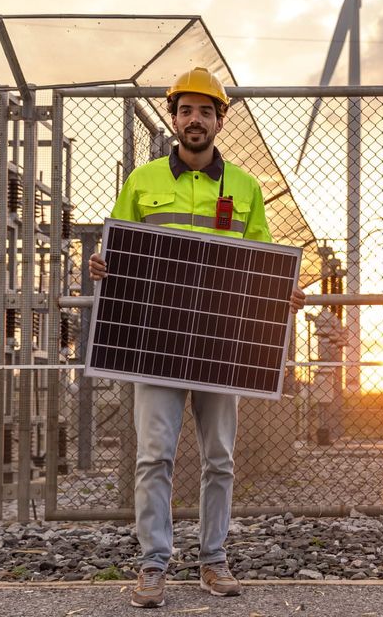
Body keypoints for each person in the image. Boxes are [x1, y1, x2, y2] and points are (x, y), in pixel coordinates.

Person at [88, 67, 305, 608]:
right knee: (153, 457)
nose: (195, 120)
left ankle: (213, 561)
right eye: (186, 110)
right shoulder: (141, 183)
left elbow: (260, 267)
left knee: (220, 459)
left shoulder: (247, 189)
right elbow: (117, 256)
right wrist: (100, 264)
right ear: (174, 117)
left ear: (219, 120)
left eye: (206, 111)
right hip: (154, 344)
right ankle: (152, 566)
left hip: (220, 346)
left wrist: (282, 292)